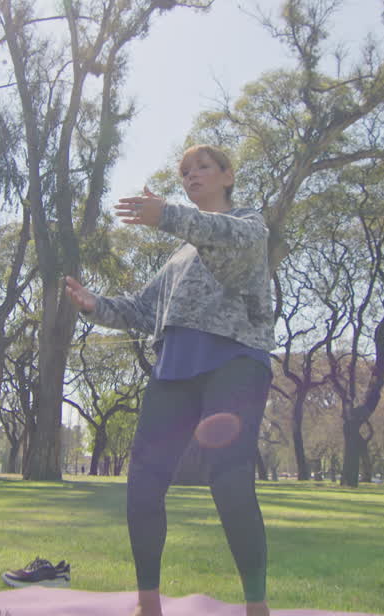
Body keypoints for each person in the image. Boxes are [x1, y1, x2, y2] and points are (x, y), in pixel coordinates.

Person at [65, 144, 275, 616]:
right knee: (143, 480)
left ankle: (257, 606)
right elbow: (143, 310)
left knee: (229, 480)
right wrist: (96, 305)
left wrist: (166, 215)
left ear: (227, 176)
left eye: (202, 167)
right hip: (174, 365)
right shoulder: (178, 257)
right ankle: (148, 603)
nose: (192, 175)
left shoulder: (248, 225)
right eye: (184, 171)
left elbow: (218, 234)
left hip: (234, 361)